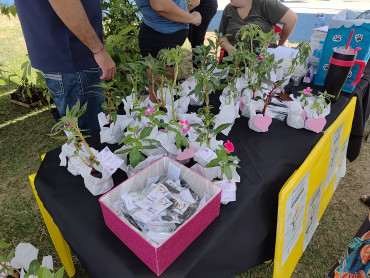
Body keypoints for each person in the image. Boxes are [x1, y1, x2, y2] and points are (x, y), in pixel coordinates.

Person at [14, 0, 116, 134]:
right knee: (89, 135)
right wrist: (98, 50)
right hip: (73, 56)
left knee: (81, 134)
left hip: (65, 52)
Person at [218, 0, 297, 55]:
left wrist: (281, 44)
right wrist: (230, 49)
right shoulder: (229, 9)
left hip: (264, 60)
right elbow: (221, 36)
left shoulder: (264, 3)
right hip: (235, 61)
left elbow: (292, 19)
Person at [136, 0, 202, 58]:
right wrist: (193, 19)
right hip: (160, 38)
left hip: (165, 37)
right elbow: (160, 4)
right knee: (160, 71)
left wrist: (188, 4)